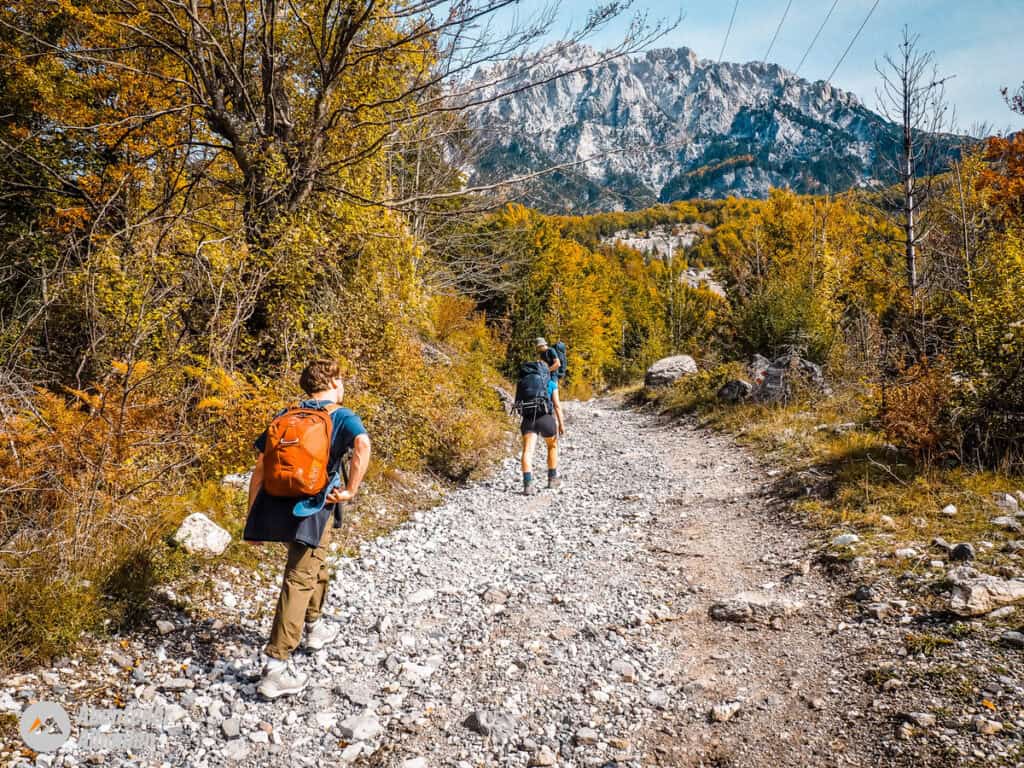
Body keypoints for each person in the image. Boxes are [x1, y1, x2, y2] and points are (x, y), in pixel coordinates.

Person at [243, 359, 371, 699]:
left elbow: (259, 468)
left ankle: (313, 628)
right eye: (341, 379)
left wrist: (252, 518)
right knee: (299, 578)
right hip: (313, 507)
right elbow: (363, 446)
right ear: (334, 382)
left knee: (318, 562)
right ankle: (275, 667)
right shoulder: (340, 415)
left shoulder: (286, 415)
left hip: (278, 504)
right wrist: (352, 489)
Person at [515, 350, 565, 495]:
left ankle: (528, 485)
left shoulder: (524, 383)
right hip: (545, 418)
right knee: (552, 446)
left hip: (528, 419)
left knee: (527, 451)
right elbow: (556, 405)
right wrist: (561, 424)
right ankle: (552, 479)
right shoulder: (549, 383)